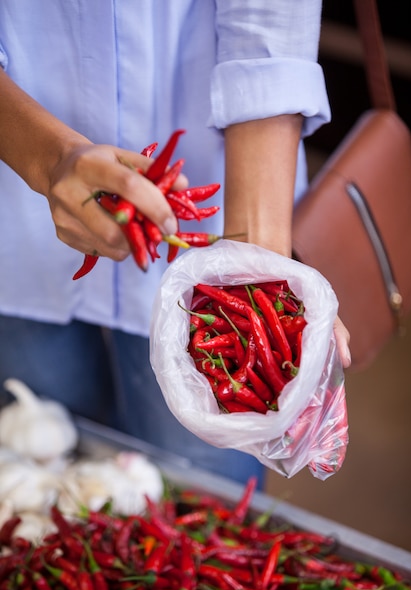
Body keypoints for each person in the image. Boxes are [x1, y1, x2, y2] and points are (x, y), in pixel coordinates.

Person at [0, 1, 350, 487]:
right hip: (14, 209)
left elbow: (270, 22)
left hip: (229, 183)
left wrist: (260, 258)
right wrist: (47, 158)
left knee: (205, 491)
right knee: (44, 463)